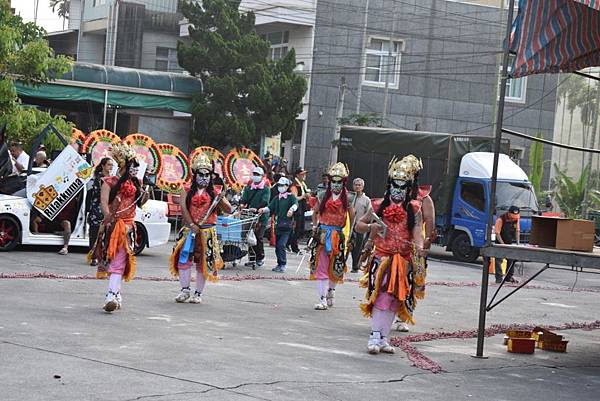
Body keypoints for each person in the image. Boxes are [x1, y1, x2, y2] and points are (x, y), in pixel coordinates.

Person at [355, 155, 426, 354]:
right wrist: (372, 226)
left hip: (403, 261)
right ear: (389, 184)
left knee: (396, 299)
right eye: (395, 185)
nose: (398, 190)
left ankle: (384, 338)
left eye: (403, 186)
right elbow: (359, 225)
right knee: (381, 297)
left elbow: (417, 233)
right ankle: (374, 336)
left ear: (409, 187)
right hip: (382, 260)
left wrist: (419, 248)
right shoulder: (377, 205)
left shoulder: (414, 208)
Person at [89, 143, 148, 312]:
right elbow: (103, 203)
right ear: (124, 165)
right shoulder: (109, 182)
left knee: (120, 259)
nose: (135, 169)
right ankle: (115, 294)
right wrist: (108, 217)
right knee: (114, 260)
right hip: (113, 226)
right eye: (132, 165)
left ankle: (111, 294)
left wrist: (145, 195)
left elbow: (141, 204)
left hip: (129, 227)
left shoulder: (137, 182)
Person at [169, 154, 232, 304]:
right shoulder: (185, 189)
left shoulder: (215, 192)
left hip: (207, 232)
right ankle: (184, 290)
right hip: (189, 231)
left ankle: (198, 293)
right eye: (201, 175)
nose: (204, 178)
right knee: (183, 260)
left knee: (202, 263)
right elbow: (184, 209)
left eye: (207, 175)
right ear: (194, 175)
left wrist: (221, 198)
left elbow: (229, 209)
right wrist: (192, 225)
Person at [309, 162, 355, 310]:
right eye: (333, 181)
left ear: (344, 182)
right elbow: (315, 212)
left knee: (336, 267)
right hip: (322, 235)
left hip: (338, 236)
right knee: (321, 267)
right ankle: (322, 299)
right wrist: (315, 226)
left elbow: (352, 216)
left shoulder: (348, 198)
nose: (335, 184)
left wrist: (350, 233)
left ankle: (331, 290)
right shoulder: (323, 195)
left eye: (339, 182)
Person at [395, 181, 436, 333]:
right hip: (394, 244)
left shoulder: (424, 198)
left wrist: (427, 243)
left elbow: (430, 220)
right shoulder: (394, 193)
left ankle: (404, 315)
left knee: (410, 281)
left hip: (414, 246)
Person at [259, 177, 298, 272]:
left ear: (287, 186)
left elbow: (296, 204)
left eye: (282, 185)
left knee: (281, 245)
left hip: (287, 226)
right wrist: (263, 210)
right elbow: (270, 207)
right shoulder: (277, 198)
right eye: (279, 185)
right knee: (277, 246)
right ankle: (279, 263)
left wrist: (291, 209)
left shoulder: (291, 197)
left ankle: (283, 264)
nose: (280, 187)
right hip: (278, 225)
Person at [239, 166, 270, 268]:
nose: (255, 176)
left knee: (258, 237)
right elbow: (244, 199)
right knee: (249, 238)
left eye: (258, 175)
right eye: (254, 174)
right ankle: (251, 259)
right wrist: (242, 204)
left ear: (262, 176)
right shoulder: (249, 188)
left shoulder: (265, 189)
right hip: (249, 216)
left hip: (261, 216)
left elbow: (265, 201)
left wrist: (256, 208)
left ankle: (260, 258)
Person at [87, 157, 114, 266]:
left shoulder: (112, 178)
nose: (110, 167)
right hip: (97, 208)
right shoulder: (99, 178)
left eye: (111, 165)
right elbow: (99, 194)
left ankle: (103, 256)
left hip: (108, 208)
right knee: (95, 232)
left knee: (107, 233)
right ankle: (93, 256)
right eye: (108, 165)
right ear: (103, 166)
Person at [350, 178, 372, 273]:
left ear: (362, 187)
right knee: (348, 245)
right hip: (349, 225)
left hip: (360, 226)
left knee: (358, 247)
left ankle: (355, 266)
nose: (357, 186)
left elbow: (369, 213)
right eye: (356, 185)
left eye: (359, 185)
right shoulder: (350, 197)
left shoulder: (366, 200)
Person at [494, 205, 521, 284]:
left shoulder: (516, 219)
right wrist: (502, 244)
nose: (514, 218)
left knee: (511, 260)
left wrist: (518, 243)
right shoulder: (501, 219)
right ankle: (499, 278)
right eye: (512, 216)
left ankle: (508, 277)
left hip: (509, 242)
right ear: (509, 213)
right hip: (500, 242)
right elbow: (497, 233)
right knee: (499, 260)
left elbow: (517, 231)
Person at [289, 167, 310, 253]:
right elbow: (294, 198)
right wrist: (303, 196)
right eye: (302, 174)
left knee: (299, 229)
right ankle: (294, 247)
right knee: (296, 229)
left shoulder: (302, 184)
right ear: (297, 175)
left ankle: (291, 244)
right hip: (297, 210)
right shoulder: (294, 185)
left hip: (302, 209)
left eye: (304, 174)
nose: (304, 176)